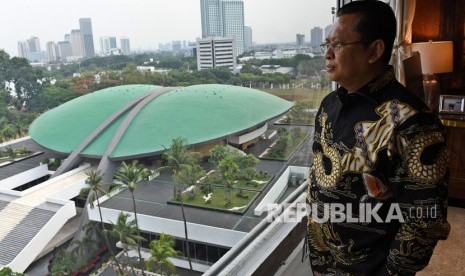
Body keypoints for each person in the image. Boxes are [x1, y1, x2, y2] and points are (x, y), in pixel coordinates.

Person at [306, 1, 450, 275]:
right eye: (327, 44)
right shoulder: (329, 106)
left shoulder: (413, 122)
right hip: (324, 260)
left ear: (374, 50)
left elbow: (424, 220)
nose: (327, 54)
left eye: (337, 45)